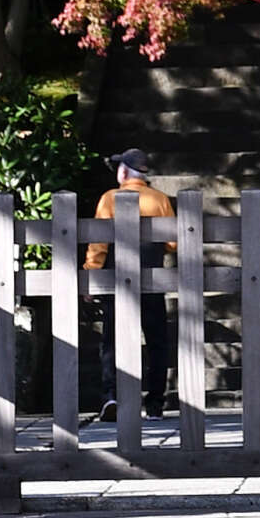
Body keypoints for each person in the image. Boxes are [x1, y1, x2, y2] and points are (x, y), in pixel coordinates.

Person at [86, 154, 180, 416]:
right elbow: (173, 243)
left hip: (116, 279)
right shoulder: (159, 199)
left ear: (124, 173)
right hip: (151, 278)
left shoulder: (109, 198)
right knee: (157, 341)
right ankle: (155, 402)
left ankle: (111, 396)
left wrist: (91, 273)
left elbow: (99, 243)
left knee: (112, 340)